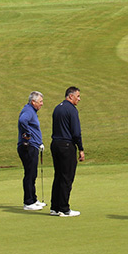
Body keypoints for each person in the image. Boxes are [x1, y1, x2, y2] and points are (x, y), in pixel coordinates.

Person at [50, 86, 85, 217]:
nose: (79, 99)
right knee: (67, 177)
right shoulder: (72, 110)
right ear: (70, 96)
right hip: (66, 145)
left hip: (55, 144)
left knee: (58, 176)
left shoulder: (57, 108)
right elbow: (76, 132)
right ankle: (64, 209)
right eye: (78, 96)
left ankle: (55, 207)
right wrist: (80, 148)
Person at [18, 91, 46, 210]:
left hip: (33, 146)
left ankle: (33, 199)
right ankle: (28, 202)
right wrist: (28, 135)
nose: (42, 104)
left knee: (32, 173)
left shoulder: (31, 110)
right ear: (33, 102)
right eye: (40, 102)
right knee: (30, 174)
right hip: (28, 146)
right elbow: (22, 120)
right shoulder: (28, 110)